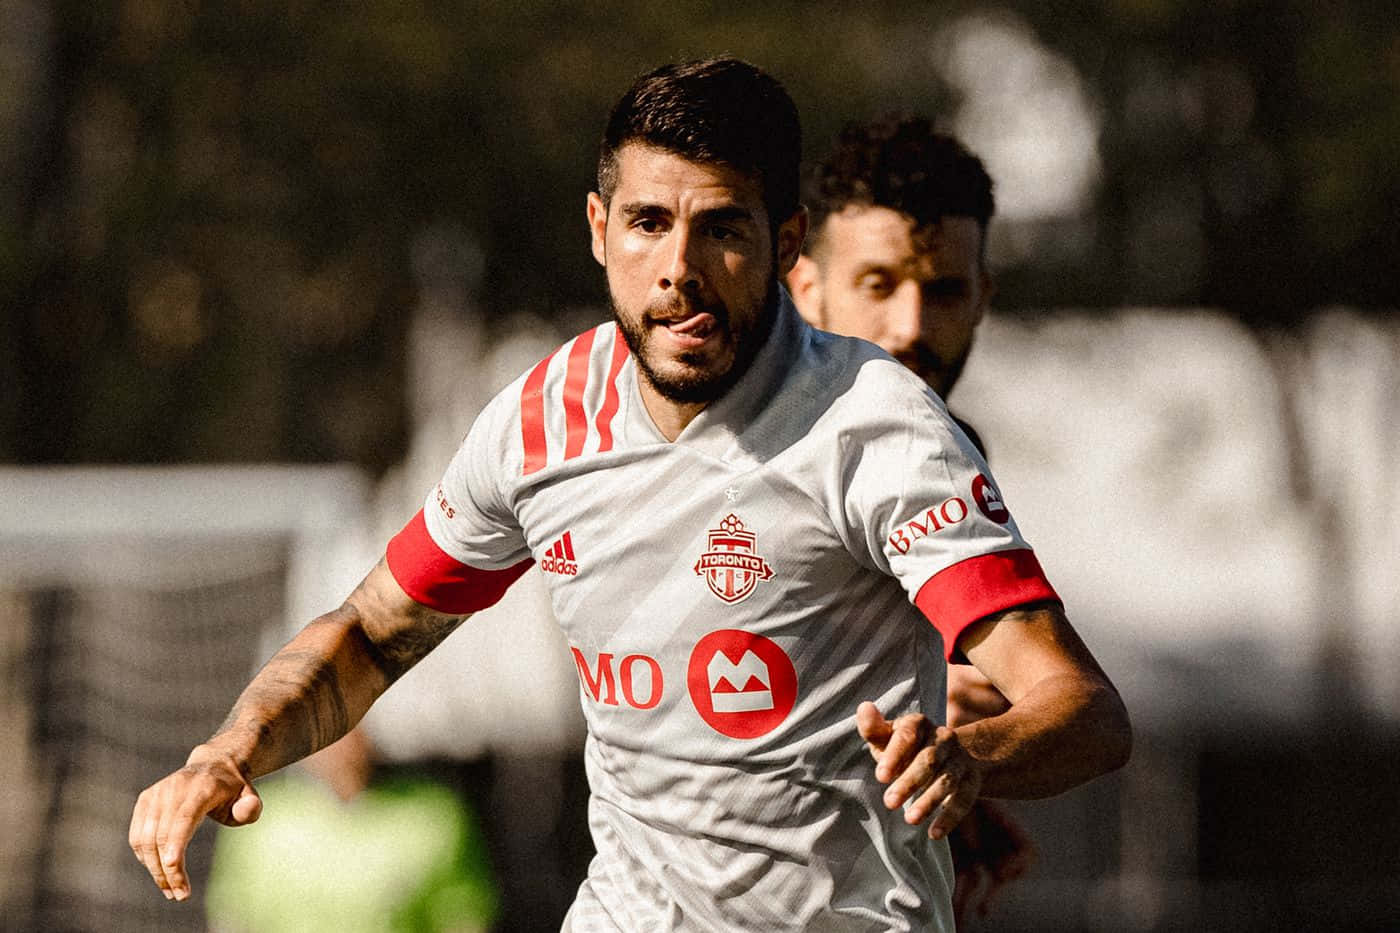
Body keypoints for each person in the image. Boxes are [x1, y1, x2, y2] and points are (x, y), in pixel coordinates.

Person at [129, 58, 1131, 931]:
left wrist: (970, 757)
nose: (678, 272)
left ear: (786, 245)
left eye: (721, 230)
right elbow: (368, 634)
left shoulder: (878, 427)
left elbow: (1081, 707)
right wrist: (230, 747)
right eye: (649, 223)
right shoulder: (538, 420)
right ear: (599, 228)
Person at [786, 114, 1035, 925]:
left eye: (946, 290)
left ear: (984, 296)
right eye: (879, 282)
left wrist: (973, 766)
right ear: (804, 286)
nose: (912, 327)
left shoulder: (958, 455)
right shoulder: (735, 449)